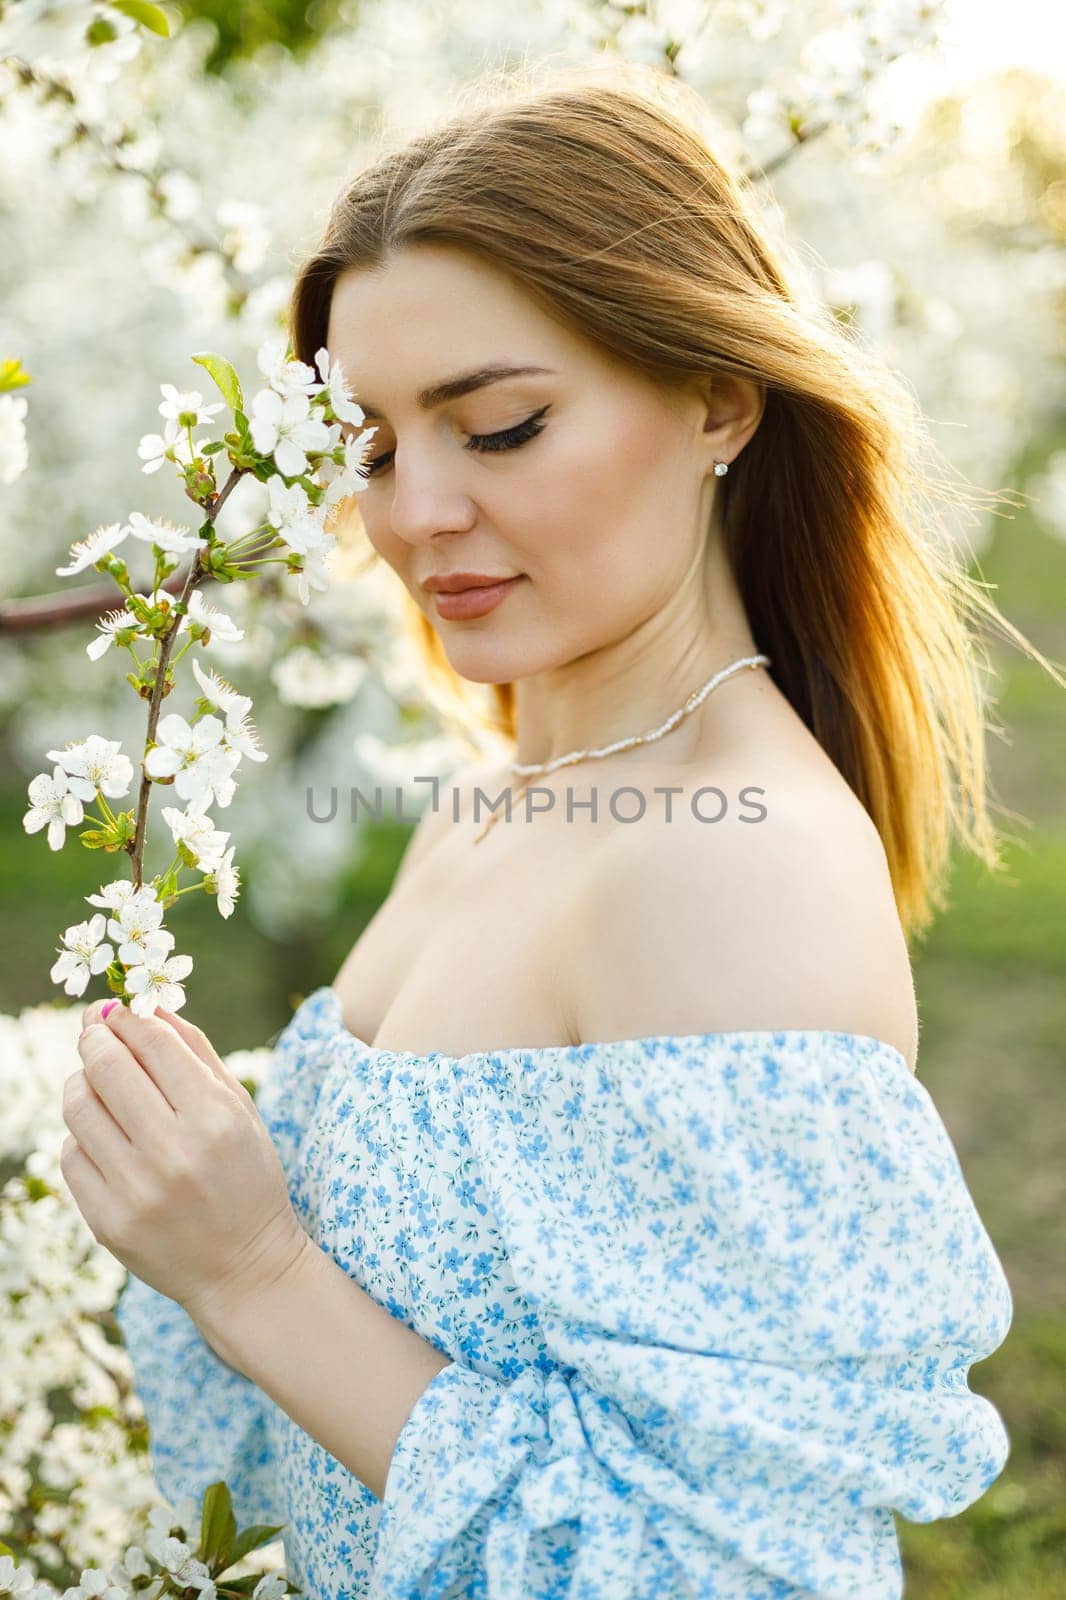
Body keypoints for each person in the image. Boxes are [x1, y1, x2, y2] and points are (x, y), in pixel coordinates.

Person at [109, 58, 1024, 1600]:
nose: (412, 517)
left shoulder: (731, 871)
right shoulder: (496, 790)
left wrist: (249, 1271)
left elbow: (724, 1572)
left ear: (720, 400)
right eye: (377, 445)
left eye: (503, 427)